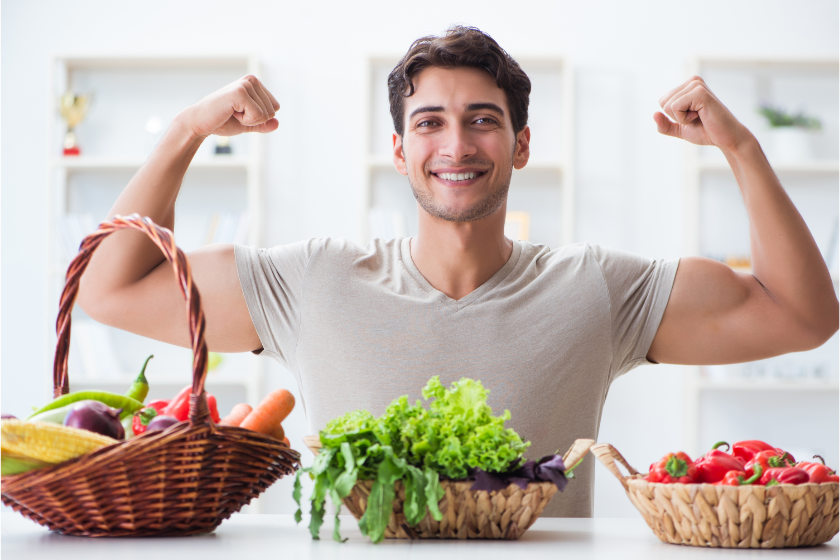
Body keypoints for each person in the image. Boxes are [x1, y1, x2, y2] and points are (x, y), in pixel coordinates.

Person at [77, 26, 839, 517]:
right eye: (429, 122)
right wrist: (184, 131)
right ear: (401, 151)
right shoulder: (309, 281)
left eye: (483, 118)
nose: (458, 144)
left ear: (521, 144)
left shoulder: (598, 288)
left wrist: (742, 148)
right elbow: (110, 289)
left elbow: (803, 316)